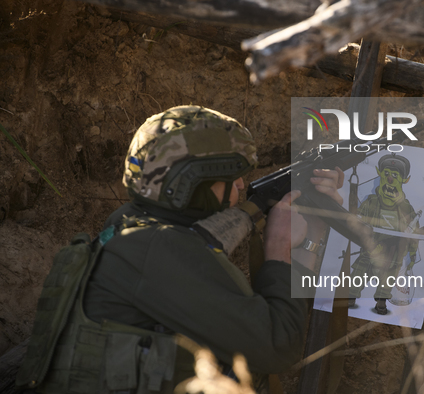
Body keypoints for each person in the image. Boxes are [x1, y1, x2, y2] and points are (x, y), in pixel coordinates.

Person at [17, 106, 343, 393]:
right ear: (191, 183)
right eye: (231, 177)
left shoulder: (127, 224)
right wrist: (281, 247)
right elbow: (278, 345)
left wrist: (308, 235)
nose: (242, 186)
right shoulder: (158, 249)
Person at [348, 153, 421, 315]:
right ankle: (351, 296)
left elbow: (414, 233)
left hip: (393, 253)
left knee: (388, 276)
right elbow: (356, 220)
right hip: (370, 249)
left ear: (404, 179)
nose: (390, 179)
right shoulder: (371, 202)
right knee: (360, 270)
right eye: (386, 173)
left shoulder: (407, 209)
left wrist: (412, 254)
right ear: (379, 173)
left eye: (395, 175)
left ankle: (381, 301)